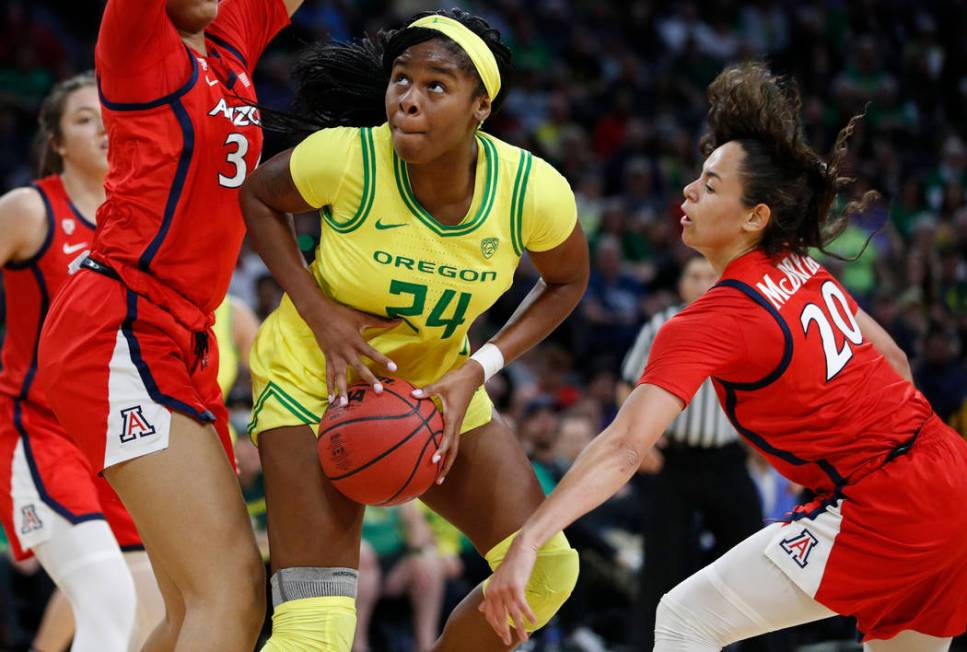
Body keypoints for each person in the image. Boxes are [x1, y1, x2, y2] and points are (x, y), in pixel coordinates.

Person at [482, 62, 967, 652]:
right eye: (697, 177)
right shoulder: (799, 265)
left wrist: (530, 539)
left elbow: (626, 445)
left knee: (687, 618)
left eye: (711, 185)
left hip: (885, 504)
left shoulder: (715, 318)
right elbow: (893, 359)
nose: (688, 191)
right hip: (949, 472)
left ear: (754, 216)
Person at [239, 9, 588, 649]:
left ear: (480, 107)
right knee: (314, 629)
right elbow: (259, 196)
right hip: (313, 383)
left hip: (434, 389)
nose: (408, 99)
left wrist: (478, 367)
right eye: (401, 79)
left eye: (436, 86)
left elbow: (566, 281)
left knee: (542, 574)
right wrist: (320, 314)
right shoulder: (348, 158)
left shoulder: (530, 192)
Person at [36, 1, 303, 649]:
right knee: (232, 593)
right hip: (122, 325)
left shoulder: (229, 29)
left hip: (180, 339)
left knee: (190, 609)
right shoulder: (138, 36)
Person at [0, 72, 163, 651]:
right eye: (83, 118)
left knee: (151, 612)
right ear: (59, 141)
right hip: (39, 432)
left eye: (109, 115)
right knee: (106, 596)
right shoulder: (28, 208)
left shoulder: (142, 222)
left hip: (118, 441)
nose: (102, 127)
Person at [617, 256, 765, 650]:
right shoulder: (661, 324)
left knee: (756, 553)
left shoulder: (744, 321)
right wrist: (639, 441)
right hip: (675, 461)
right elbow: (627, 384)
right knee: (662, 562)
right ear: (681, 284)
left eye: (709, 276)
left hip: (727, 459)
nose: (702, 283)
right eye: (693, 275)